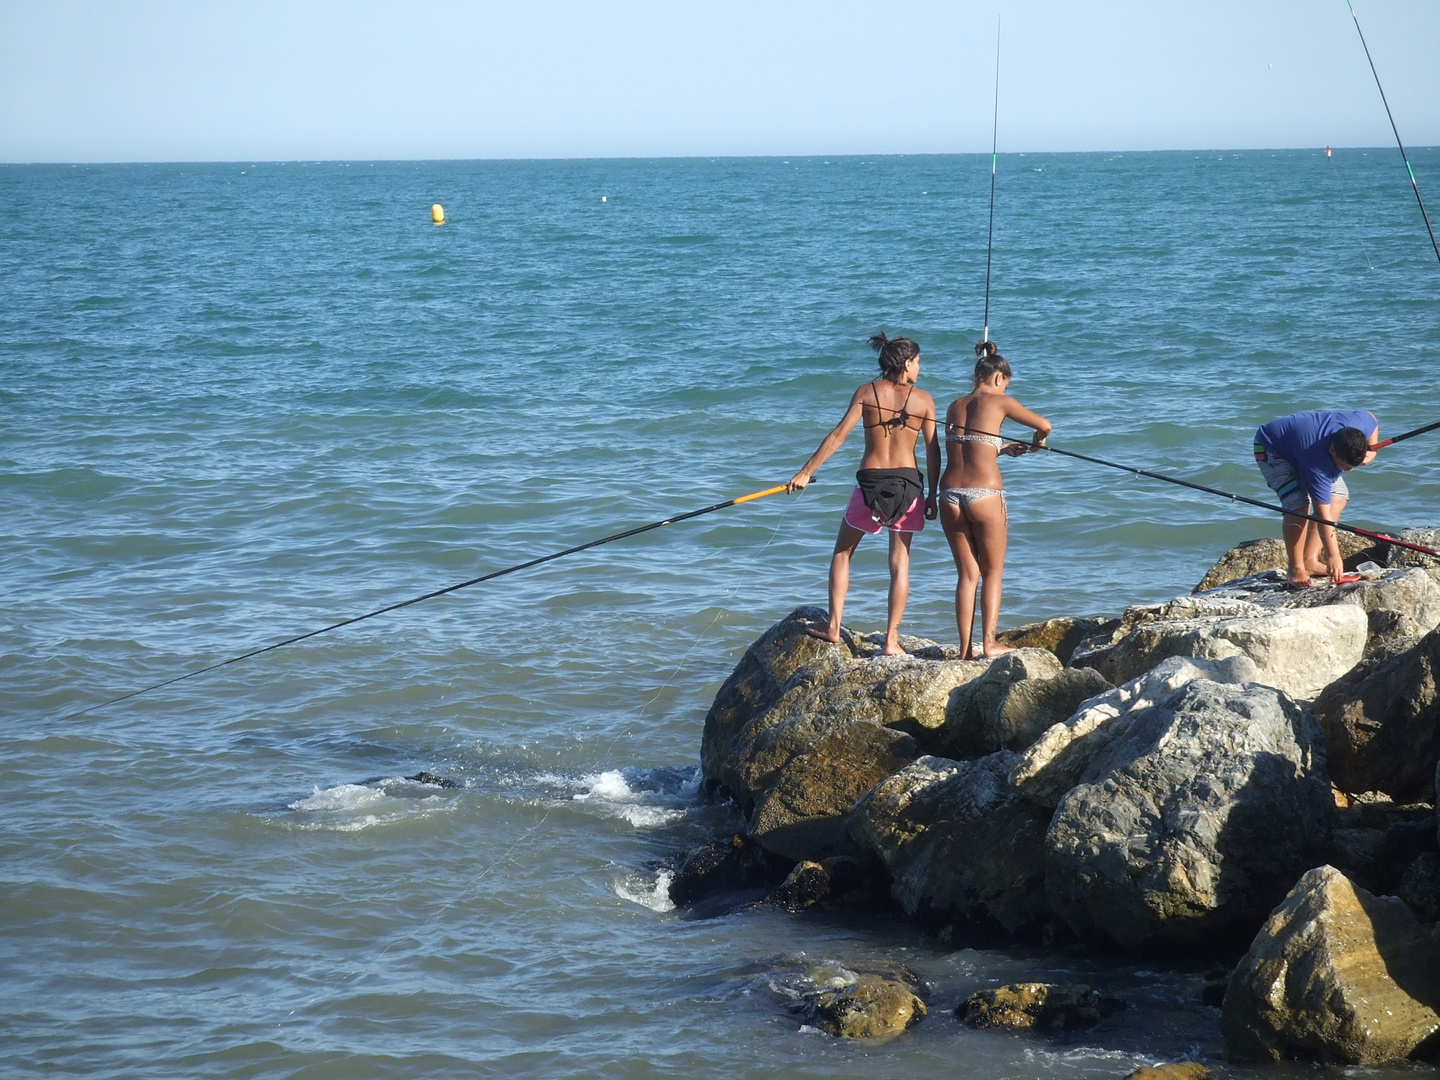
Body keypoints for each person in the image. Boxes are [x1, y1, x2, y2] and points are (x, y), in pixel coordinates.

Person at [787, 332, 940, 656]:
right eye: (917, 361)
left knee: (843, 553)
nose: (920, 367)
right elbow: (933, 451)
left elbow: (838, 435)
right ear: (906, 363)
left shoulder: (867, 392)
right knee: (900, 563)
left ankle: (833, 627)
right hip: (908, 486)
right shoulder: (924, 400)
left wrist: (806, 472)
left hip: (869, 485)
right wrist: (933, 495)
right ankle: (891, 641)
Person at [938, 341, 1051, 660]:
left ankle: (964, 651)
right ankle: (988, 644)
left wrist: (999, 449)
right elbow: (1044, 425)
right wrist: (1037, 443)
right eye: (1006, 384)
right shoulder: (1001, 401)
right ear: (999, 378)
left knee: (966, 575)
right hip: (985, 494)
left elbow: (966, 444)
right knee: (993, 572)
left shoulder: (954, 405)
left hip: (949, 496)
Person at [1253, 409, 1379, 587]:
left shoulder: (1359, 422)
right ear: (1332, 450)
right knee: (1298, 505)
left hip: (1302, 443)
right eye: (1344, 465)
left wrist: (1372, 452)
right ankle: (1296, 569)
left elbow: (1371, 417)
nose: (1349, 470)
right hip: (1271, 447)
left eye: (1353, 466)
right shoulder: (1317, 464)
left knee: (1339, 496)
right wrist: (1333, 556)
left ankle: (1310, 562)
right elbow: (1322, 515)